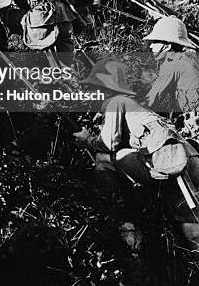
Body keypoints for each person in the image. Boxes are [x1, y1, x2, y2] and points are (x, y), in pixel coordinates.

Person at [73, 58, 199, 264]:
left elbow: (109, 144)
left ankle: (124, 217)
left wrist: (87, 140)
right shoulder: (133, 107)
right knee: (190, 215)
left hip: (172, 162)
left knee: (191, 221)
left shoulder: (116, 102)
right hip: (186, 157)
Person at [145, 17, 199, 113]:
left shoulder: (173, 62)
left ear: (167, 46)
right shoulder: (190, 56)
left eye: (155, 42)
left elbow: (152, 98)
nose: (151, 46)